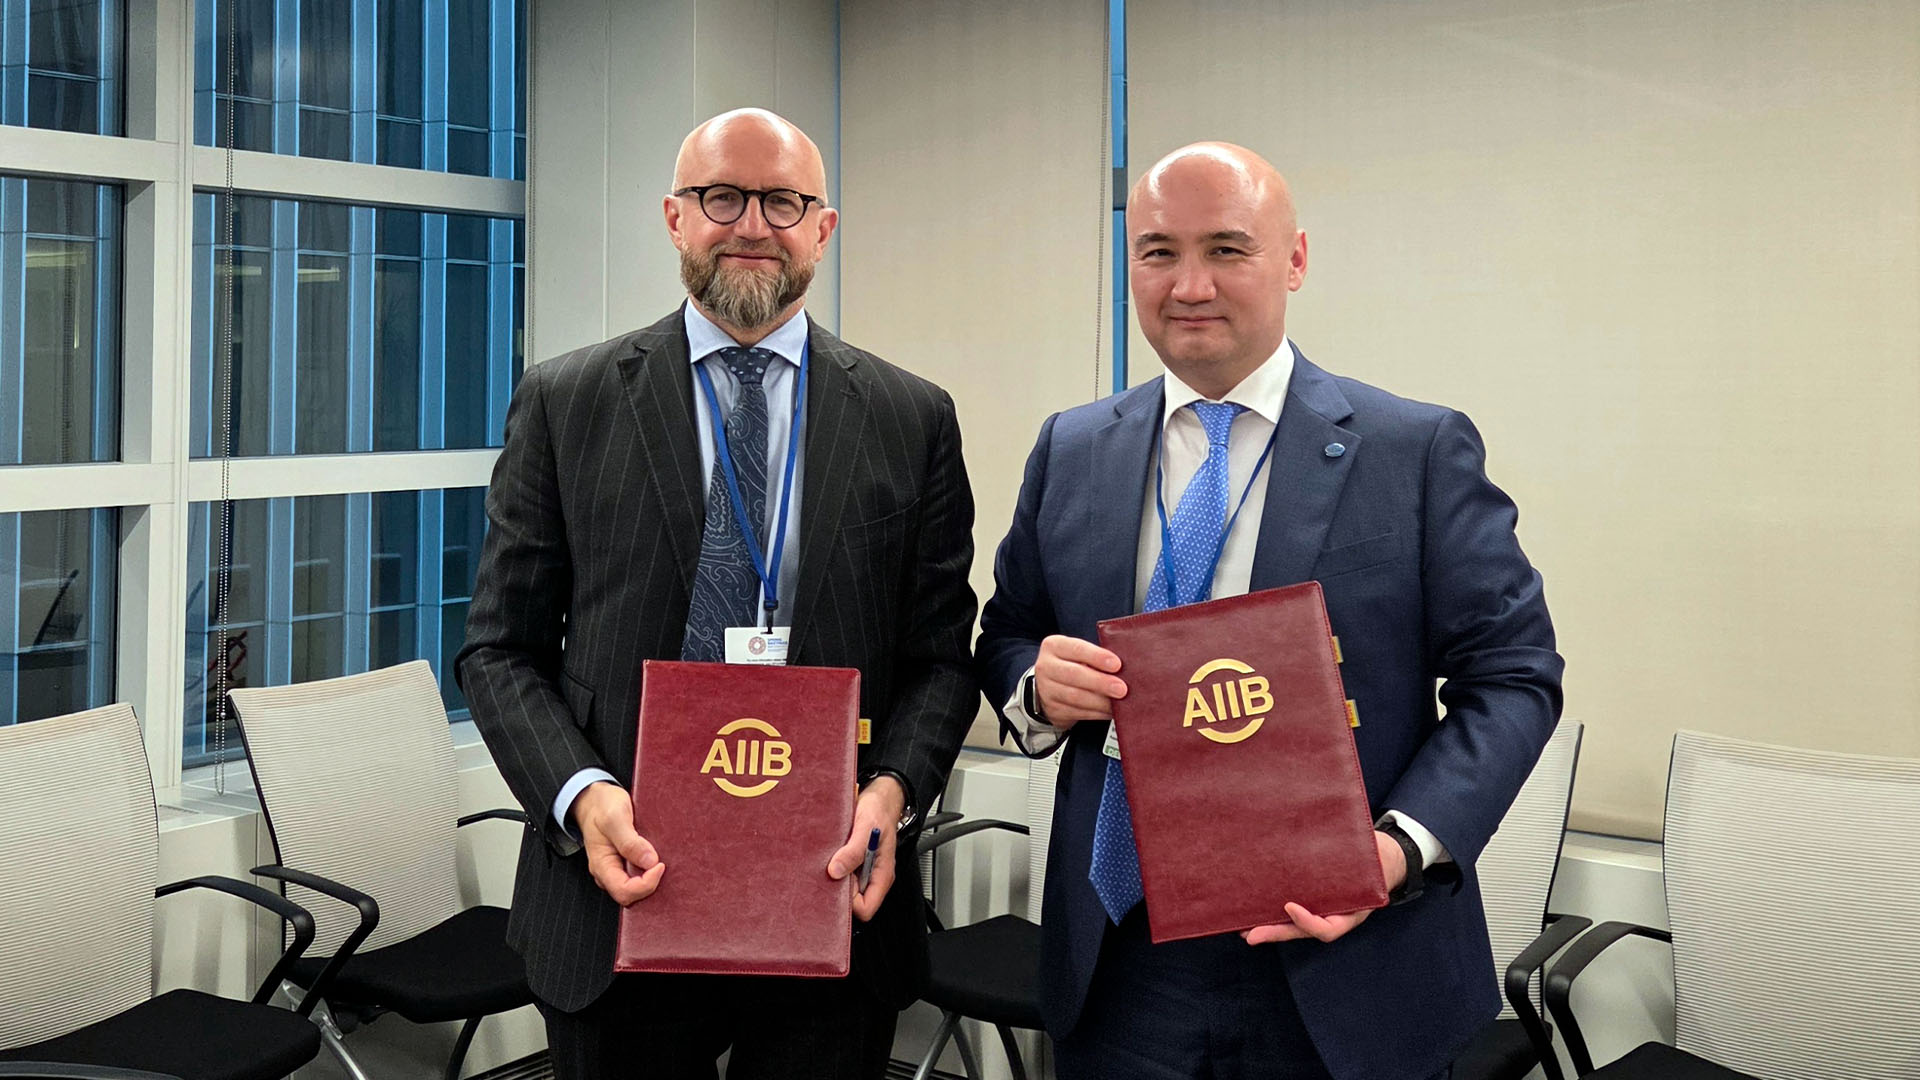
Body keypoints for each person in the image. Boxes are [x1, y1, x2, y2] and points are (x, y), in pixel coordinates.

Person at [975, 142, 1565, 1080]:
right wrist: (1036, 690)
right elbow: (1007, 631)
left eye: (1227, 249)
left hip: (1345, 959)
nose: (1190, 285)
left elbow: (1514, 679)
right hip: (1122, 957)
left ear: (1294, 259)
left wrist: (1396, 850)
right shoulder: (1072, 448)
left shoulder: (1413, 450)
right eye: (1159, 252)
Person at [457, 108, 978, 1080]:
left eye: (783, 202)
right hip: (620, 891)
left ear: (823, 228)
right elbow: (498, 648)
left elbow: (942, 659)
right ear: (674, 217)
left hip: (829, 899)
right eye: (722, 197)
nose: (751, 225)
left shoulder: (910, 418)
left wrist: (894, 790)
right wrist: (581, 795)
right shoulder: (567, 402)